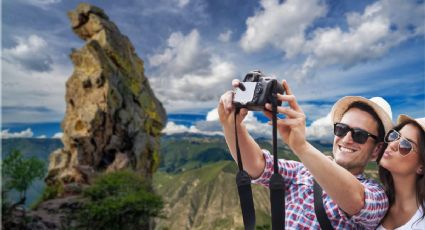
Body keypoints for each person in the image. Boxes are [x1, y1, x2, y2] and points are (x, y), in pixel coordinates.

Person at [218, 79, 393, 229]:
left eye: (360, 135)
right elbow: (256, 165)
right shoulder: (302, 171)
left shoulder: (377, 195)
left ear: (376, 150)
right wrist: (231, 125)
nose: (347, 139)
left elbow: (357, 200)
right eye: (341, 129)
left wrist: (301, 146)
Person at [377, 115, 425, 229]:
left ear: (422, 167)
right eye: (395, 136)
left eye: (405, 145)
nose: (392, 145)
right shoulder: (375, 201)